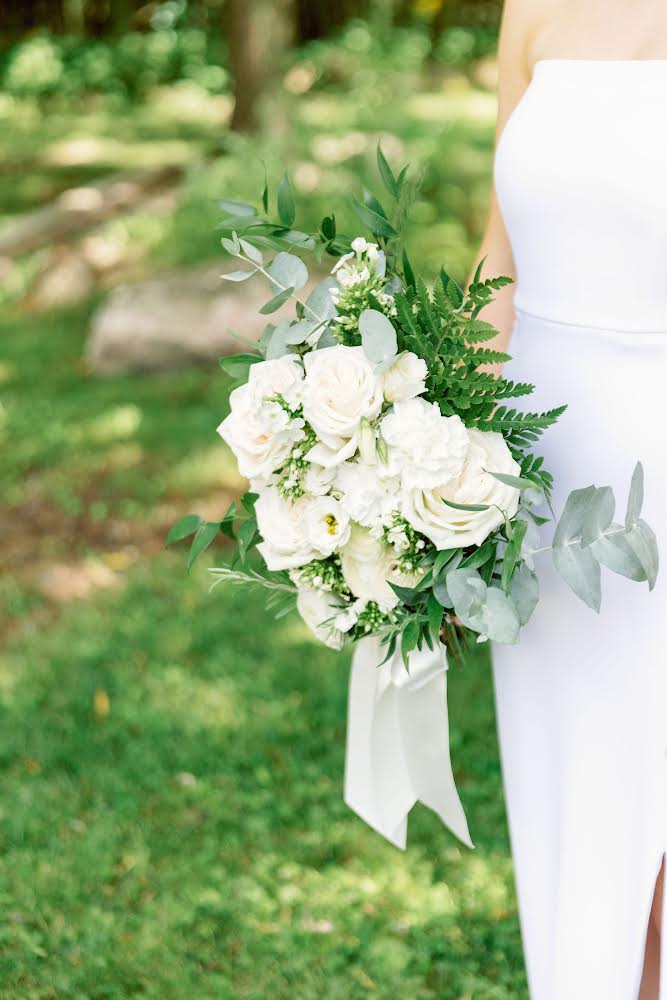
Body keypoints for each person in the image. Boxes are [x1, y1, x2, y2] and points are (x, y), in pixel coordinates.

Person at [475, 1, 667, 996]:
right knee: (577, 809)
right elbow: (497, 264)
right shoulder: (533, 8)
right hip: (541, 490)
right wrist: (429, 443)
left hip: (659, 470)